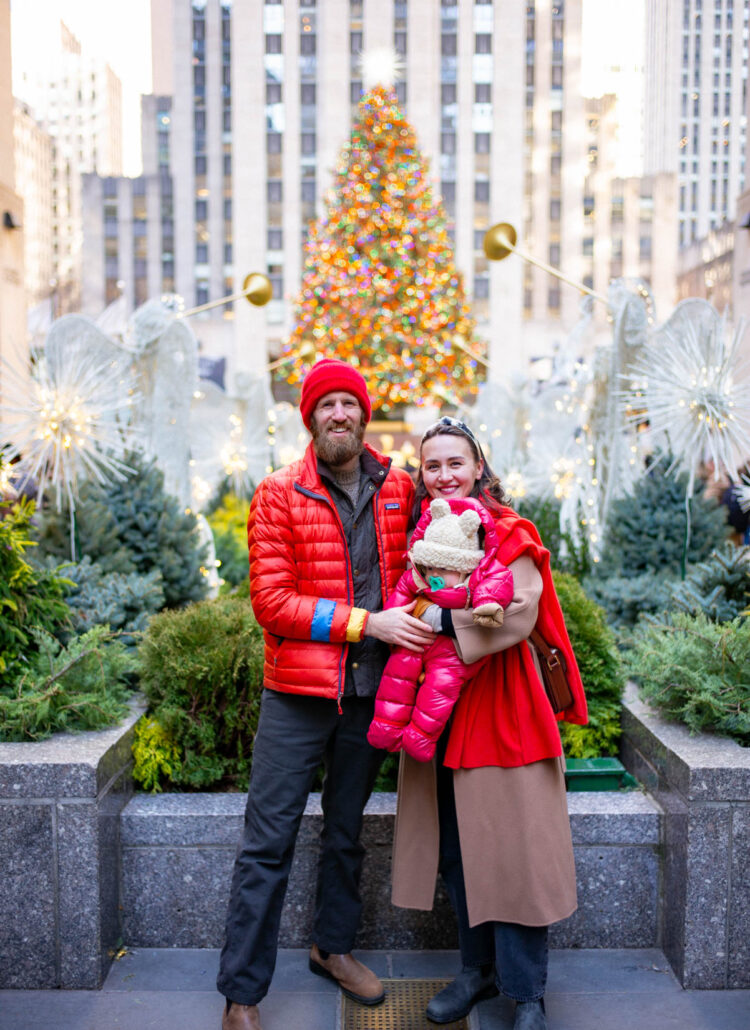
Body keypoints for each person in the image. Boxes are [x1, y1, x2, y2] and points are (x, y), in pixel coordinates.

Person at [216, 359, 435, 1030]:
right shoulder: (278, 494)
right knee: (268, 841)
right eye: (326, 404)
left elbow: (448, 540)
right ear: (308, 416)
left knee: (345, 835)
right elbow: (273, 603)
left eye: (349, 402)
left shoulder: (401, 488)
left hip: (372, 692)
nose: (339, 413)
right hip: (297, 694)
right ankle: (242, 993)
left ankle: (331, 947)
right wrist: (367, 623)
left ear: (364, 414)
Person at [389, 416, 588, 1030]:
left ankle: (526, 994)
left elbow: (519, 618)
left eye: (455, 463)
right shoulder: (423, 536)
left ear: (479, 467)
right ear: (422, 476)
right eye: (432, 466)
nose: (444, 475)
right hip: (442, 709)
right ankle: (476, 973)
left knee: (515, 854)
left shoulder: (508, 531)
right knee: (457, 853)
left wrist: (443, 622)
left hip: (504, 709)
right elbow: (408, 599)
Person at [367, 496, 514, 761]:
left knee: (439, 691)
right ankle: (386, 728)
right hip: (415, 638)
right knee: (397, 676)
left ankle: (419, 739)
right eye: (430, 566)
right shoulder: (419, 576)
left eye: (444, 568)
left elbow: (496, 584)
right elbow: (402, 592)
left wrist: (487, 605)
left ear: (465, 566)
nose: (434, 574)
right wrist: (392, 615)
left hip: (452, 652)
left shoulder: (479, 574)